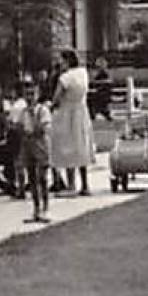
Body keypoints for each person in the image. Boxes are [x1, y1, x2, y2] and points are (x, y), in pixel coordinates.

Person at [50, 50, 94, 195]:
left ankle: (71, 185)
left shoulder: (65, 78)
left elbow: (56, 98)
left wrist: (51, 106)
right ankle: (85, 185)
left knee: (68, 147)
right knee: (82, 146)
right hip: (82, 111)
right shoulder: (83, 73)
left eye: (61, 60)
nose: (59, 63)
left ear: (67, 61)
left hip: (67, 113)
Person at [14, 80, 52, 223]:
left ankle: (45, 208)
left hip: (40, 144)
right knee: (32, 178)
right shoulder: (23, 112)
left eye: (32, 94)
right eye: (27, 95)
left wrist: (33, 131)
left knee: (42, 177)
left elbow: (44, 127)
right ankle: (36, 208)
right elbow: (19, 127)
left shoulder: (42, 110)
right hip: (27, 145)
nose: (29, 97)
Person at [88, 57, 114, 123]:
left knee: (90, 100)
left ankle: (95, 114)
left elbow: (102, 84)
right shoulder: (102, 74)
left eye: (98, 66)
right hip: (102, 94)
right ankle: (101, 113)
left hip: (102, 95)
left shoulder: (104, 74)